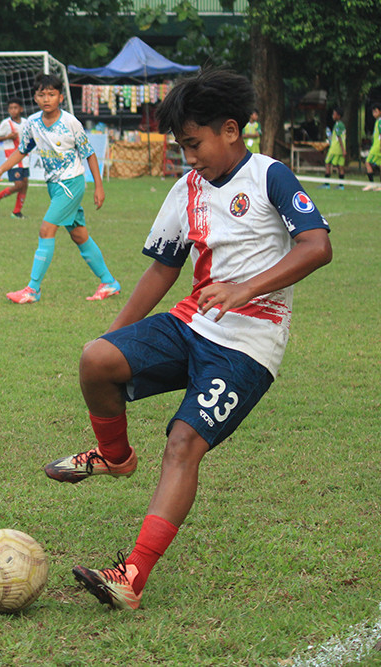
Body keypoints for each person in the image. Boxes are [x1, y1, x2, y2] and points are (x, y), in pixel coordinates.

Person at [42, 69, 331, 611]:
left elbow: (316, 246)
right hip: (191, 324)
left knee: (183, 443)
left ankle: (132, 575)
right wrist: (115, 335)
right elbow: (162, 270)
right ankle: (115, 456)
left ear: (229, 130)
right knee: (96, 358)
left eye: (194, 144)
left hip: (248, 347)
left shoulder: (271, 177)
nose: (188, 156)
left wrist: (245, 289)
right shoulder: (186, 188)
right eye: (181, 146)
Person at [0, 74, 119, 304]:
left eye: (51, 94)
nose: (46, 99)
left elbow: (89, 153)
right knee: (79, 235)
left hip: (71, 184)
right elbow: (23, 149)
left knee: (46, 230)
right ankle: (108, 282)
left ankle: (33, 289)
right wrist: (1, 170)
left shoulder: (71, 123)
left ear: (60, 97)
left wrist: (99, 187)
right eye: (41, 94)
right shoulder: (32, 123)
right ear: (35, 97)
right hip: (54, 186)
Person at [0, 98, 30, 219]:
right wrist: (8, 137)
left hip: (25, 158)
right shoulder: (6, 123)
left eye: (15, 108)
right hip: (12, 159)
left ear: (21, 109)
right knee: (18, 185)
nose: (13, 110)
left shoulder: (26, 122)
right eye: (11, 108)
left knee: (25, 185)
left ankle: (17, 212)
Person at [321, 107, 346, 189]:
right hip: (340, 149)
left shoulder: (338, 125)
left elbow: (339, 137)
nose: (333, 116)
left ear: (338, 116)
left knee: (327, 163)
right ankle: (341, 186)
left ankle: (327, 184)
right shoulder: (341, 124)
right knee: (340, 166)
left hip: (335, 148)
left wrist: (343, 149)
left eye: (334, 114)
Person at [362, 103, 381, 191]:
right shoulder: (377, 121)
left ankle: (372, 184)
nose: (374, 114)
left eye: (376, 111)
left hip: (377, 146)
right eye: (373, 112)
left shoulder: (380, 122)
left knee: (368, 162)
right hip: (376, 145)